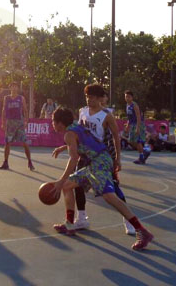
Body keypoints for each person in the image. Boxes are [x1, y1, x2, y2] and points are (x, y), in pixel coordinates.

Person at [49, 108, 155, 250]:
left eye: (53, 121)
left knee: (109, 196)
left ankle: (141, 230)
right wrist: (64, 148)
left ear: (60, 123)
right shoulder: (76, 127)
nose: (52, 124)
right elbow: (84, 142)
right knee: (67, 186)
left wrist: (61, 179)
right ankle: (69, 224)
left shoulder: (69, 134)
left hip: (99, 163)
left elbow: (74, 158)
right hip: (99, 160)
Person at [52, 84, 135, 235]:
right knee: (76, 185)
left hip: (101, 154)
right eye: (87, 97)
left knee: (113, 188)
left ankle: (128, 220)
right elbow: (78, 135)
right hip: (85, 154)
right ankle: (81, 218)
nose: (88, 99)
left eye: (91, 97)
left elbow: (116, 137)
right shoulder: (83, 112)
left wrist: (118, 158)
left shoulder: (107, 115)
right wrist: (64, 147)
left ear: (100, 98)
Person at [0, 82, 34, 171]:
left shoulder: (21, 98)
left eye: (15, 86)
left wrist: (26, 121)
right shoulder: (6, 98)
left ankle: (30, 162)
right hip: (10, 123)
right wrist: (3, 122)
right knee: (7, 143)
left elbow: (25, 110)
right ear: (10, 88)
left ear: (18, 88)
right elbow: (3, 110)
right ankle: (5, 162)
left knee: (24, 143)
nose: (14, 88)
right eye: (12, 86)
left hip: (19, 123)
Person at [124, 91, 148, 164]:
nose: (127, 98)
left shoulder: (134, 105)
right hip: (132, 125)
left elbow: (138, 117)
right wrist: (127, 125)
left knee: (137, 141)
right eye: (126, 97)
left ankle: (141, 157)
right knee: (131, 141)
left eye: (129, 97)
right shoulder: (127, 105)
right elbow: (129, 117)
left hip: (138, 124)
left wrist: (138, 127)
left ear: (132, 97)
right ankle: (144, 151)